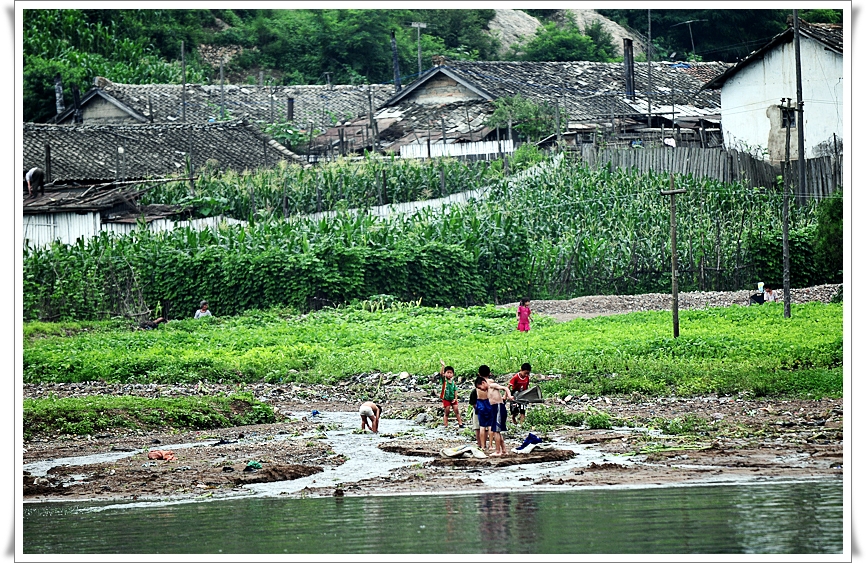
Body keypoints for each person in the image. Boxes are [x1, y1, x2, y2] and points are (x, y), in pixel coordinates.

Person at [438, 360, 464, 428]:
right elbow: (441, 374)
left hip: (453, 399)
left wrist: (455, 398)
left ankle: (460, 423)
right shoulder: (444, 381)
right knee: (447, 411)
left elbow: (455, 390)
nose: (449, 374)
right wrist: (443, 366)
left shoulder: (453, 382)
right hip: (446, 399)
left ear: (453, 374)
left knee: (456, 410)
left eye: (451, 373)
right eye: (448, 372)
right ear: (445, 373)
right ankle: (445, 425)